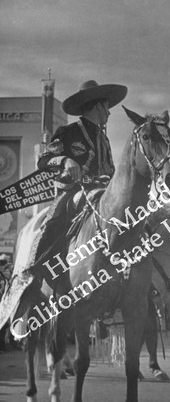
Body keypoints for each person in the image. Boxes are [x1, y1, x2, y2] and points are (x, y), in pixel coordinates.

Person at [0, 80, 127, 331]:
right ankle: (33, 276)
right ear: (95, 107)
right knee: (53, 222)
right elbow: (44, 159)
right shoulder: (68, 133)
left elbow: (111, 171)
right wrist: (66, 159)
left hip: (101, 196)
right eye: (106, 106)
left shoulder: (104, 139)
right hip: (73, 193)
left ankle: (124, 292)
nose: (109, 112)